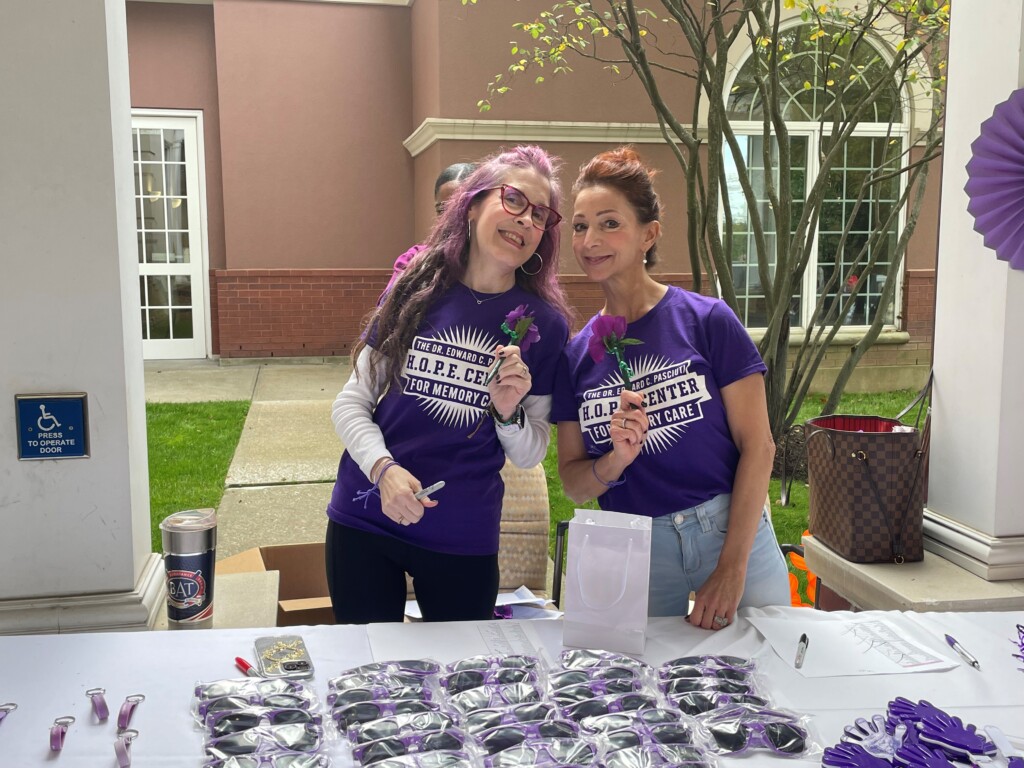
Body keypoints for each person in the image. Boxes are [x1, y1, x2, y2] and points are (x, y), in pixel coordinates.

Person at [327, 146, 572, 624]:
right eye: (515, 200)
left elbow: (528, 453)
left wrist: (507, 413)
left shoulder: (545, 326)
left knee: (460, 685)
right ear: (474, 203)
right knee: (365, 673)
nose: (526, 220)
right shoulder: (416, 289)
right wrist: (384, 471)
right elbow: (351, 402)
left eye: (540, 214)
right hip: (367, 515)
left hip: (463, 536)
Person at [551, 147, 789, 631]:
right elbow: (574, 485)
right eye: (579, 226)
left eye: (609, 223)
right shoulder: (575, 357)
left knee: (770, 674)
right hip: (632, 548)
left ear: (649, 234)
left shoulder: (707, 321)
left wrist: (731, 566)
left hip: (728, 530)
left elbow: (759, 446)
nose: (590, 240)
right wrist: (615, 459)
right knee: (638, 693)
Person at [384, 162, 477, 295]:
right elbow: (387, 312)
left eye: (460, 209)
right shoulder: (414, 261)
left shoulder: (505, 265)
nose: (449, 218)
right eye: (441, 210)